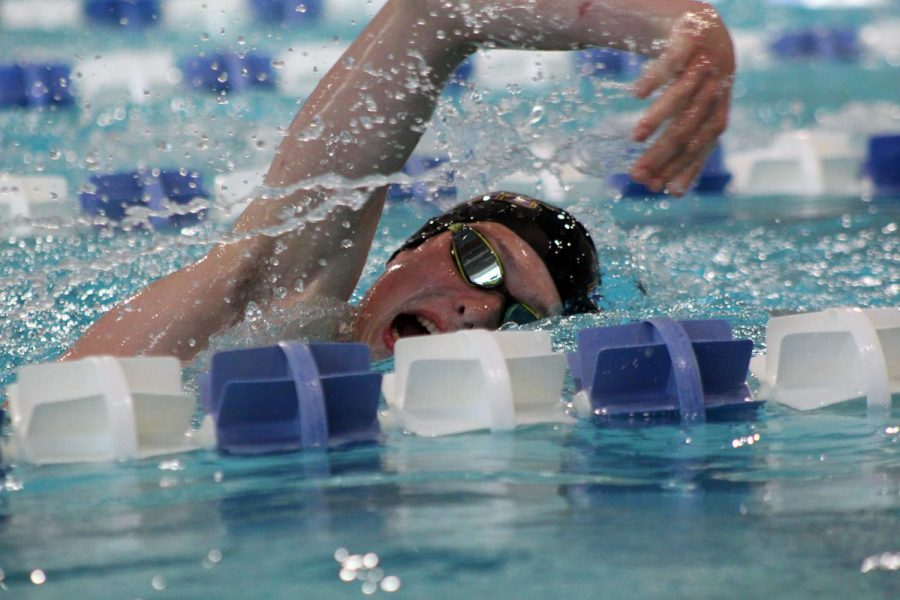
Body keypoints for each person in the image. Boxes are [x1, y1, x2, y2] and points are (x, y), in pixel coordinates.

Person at [63, 0, 735, 363]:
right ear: (405, 251)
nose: (482, 308)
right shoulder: (270, 304)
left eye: (523, 319)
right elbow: (436, 12)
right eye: (480, 261)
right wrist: (692, 24)